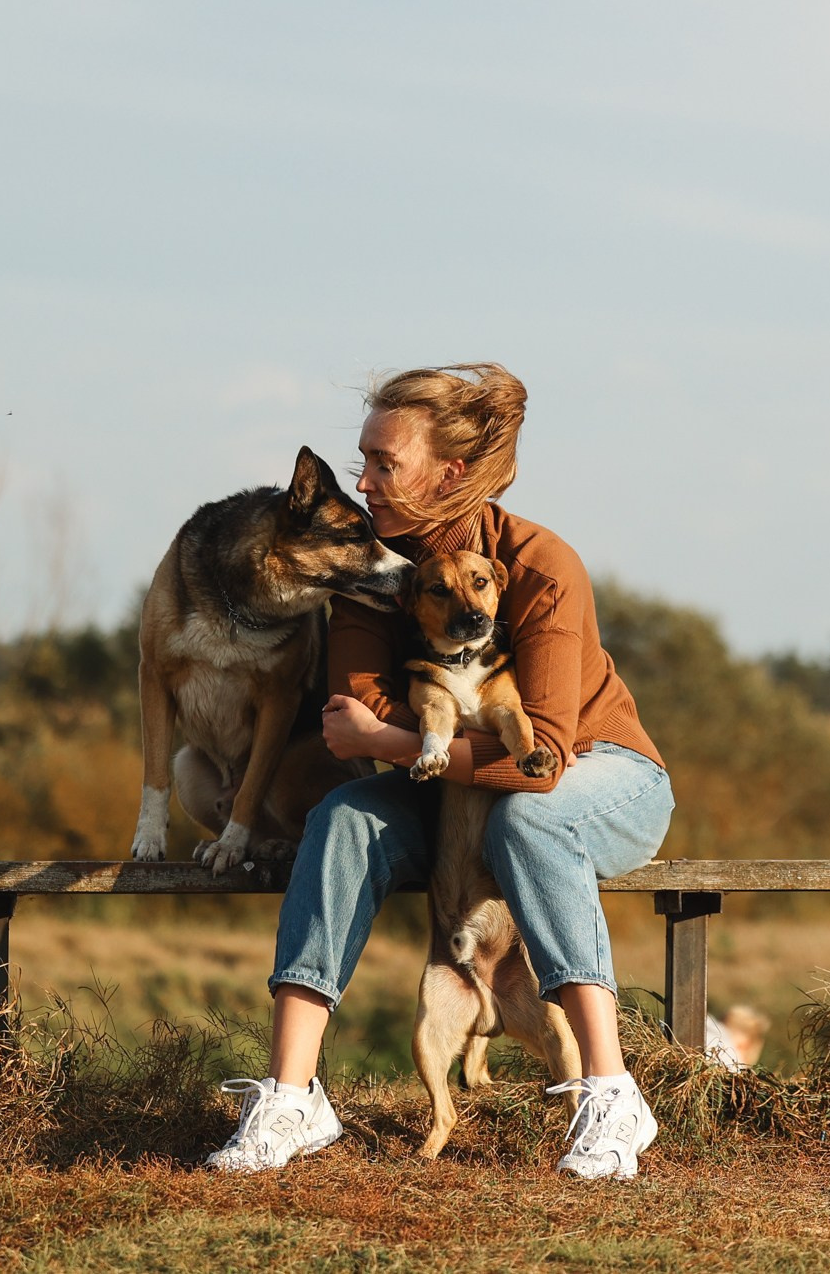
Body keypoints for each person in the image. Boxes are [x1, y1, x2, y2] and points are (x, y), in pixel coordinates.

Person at [205, 363, 674, 1180]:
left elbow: (541, 758)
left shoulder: (538, 564)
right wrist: (389, 740)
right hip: (452, 785)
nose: (361, 480)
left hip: (608, 776)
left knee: (533, 815)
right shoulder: (364, 577)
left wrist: (396, 741)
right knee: (344, 817)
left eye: (383, 462)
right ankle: (293, 1096)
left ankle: (611, 1091)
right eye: (363, 458)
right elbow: (353, 715)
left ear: (448, 473)